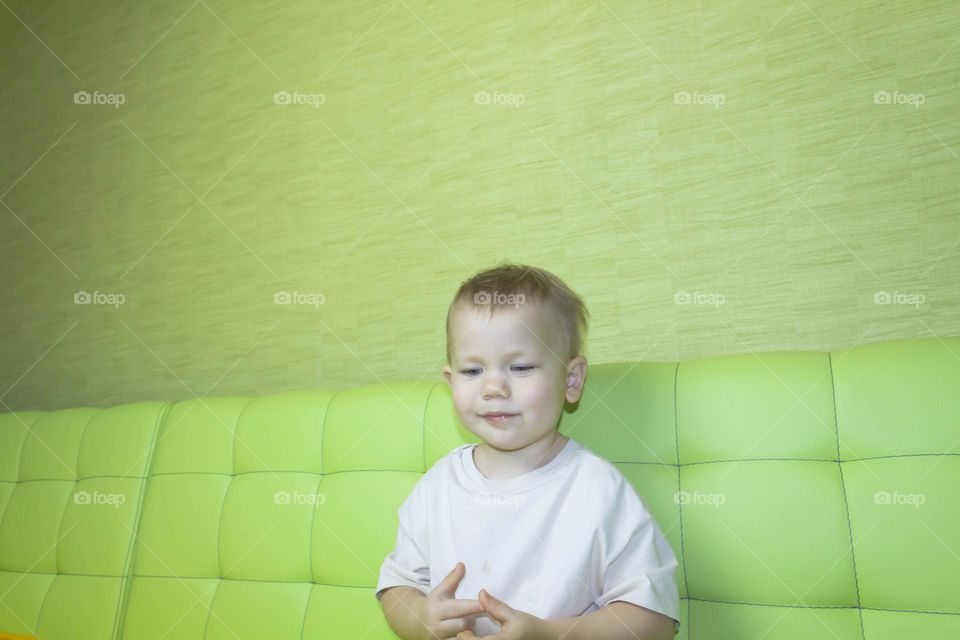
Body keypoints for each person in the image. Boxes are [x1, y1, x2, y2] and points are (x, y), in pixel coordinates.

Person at [376, 262, 680, 639]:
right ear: (450, 383)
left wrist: (550, 635)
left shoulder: (597, 488)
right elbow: (398, 586)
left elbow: (655, 620)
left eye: (520, 367)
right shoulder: (437, 485)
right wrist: (420, 618)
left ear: (571, 380)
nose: (493, 388)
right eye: (472, 371)